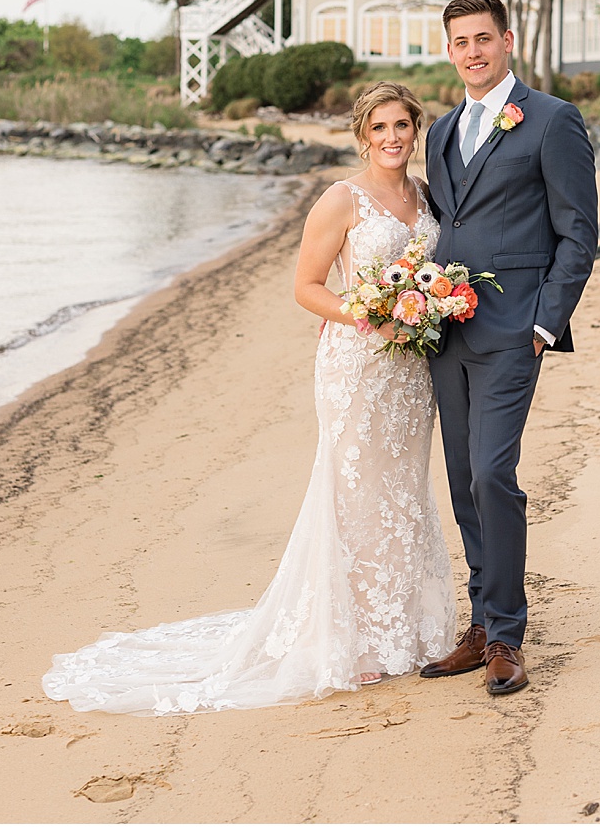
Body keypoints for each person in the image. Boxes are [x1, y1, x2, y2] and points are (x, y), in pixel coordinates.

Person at [41, 81, 455, 714]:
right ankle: (351, 640)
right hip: (358, 363)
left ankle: (404, 626)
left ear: (415, 129)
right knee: (352, 493)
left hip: (411, 371)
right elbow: (307, 287)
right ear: (361, 135)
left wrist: (425, 307)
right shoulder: (341, 201)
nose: (392, 138)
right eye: (380, 129)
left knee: (401, 487)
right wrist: (369, 314)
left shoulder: (425, 197)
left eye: (402, 126)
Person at [419, 0, 598, 696]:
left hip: (515, 330)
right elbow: (444, 224)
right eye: (460, 41)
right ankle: (478, 620)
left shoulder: (552, 121)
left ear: (509, 40)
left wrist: (544, 324)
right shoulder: (439, 132)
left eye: (483, 38)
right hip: (446, 334)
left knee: (494, 473)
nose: (473, 51)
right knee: (463, 479)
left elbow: (578, 232)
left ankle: (508, 635)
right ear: (450, 50)